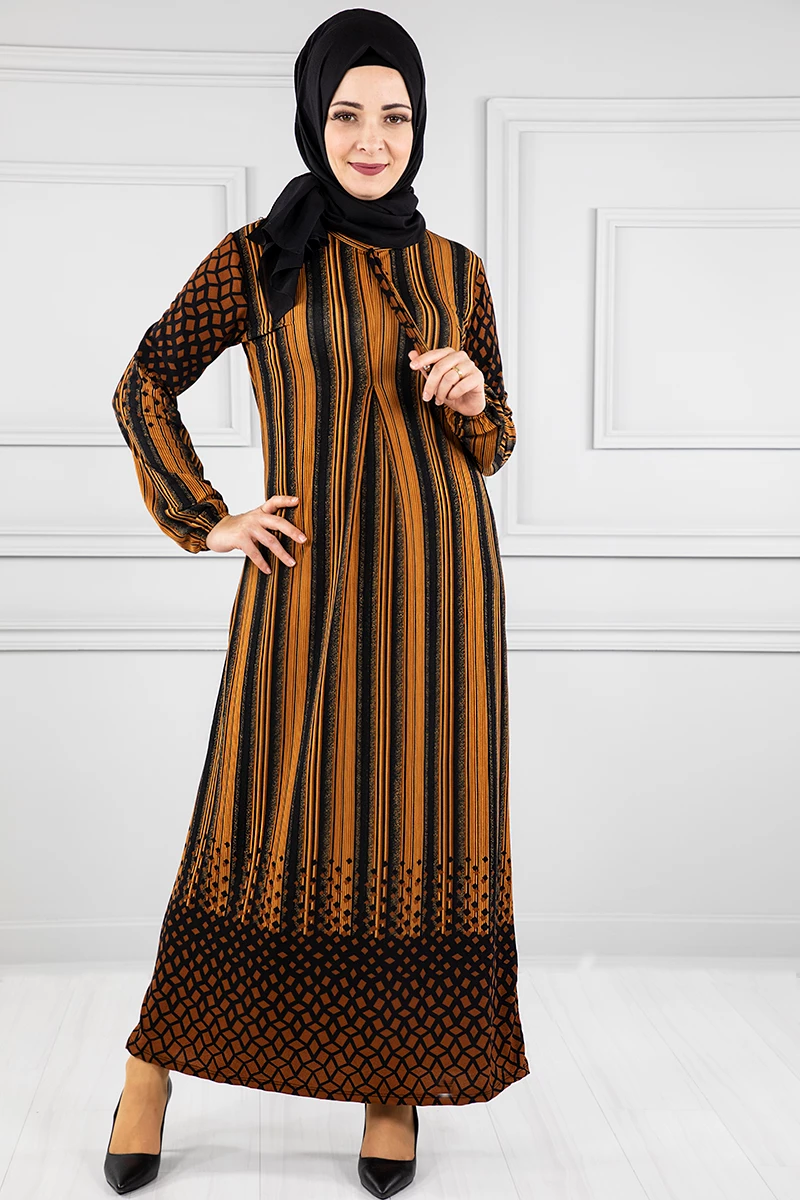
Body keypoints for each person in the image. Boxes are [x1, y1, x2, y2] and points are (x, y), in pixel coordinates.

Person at [104, 8, 529, 1197]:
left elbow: (495, 442)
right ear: (311, 119)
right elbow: (145, 383)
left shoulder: (456, 273)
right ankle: (150, 1065)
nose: (370, 139)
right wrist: (207, 516)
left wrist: (471, 399)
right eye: (347, 114)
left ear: (419, 127)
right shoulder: (258, 256)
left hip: (442, 597)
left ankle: (391, 1087)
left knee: (415, 821)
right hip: (304, 588)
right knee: (255, 813)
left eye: (394, 116)